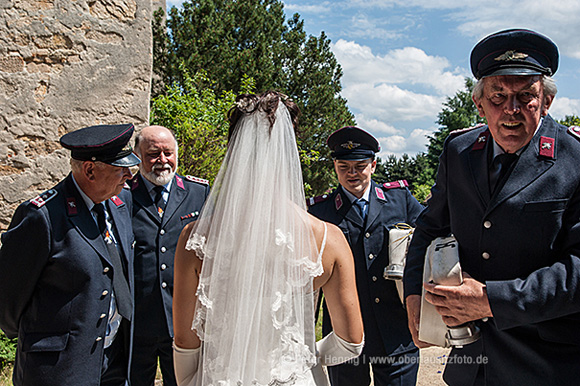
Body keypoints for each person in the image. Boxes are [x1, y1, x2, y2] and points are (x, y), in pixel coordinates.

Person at [403, 29, 580, 386]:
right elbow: (429, 228)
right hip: (471, 364)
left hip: (546, 366)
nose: (511, 110)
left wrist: (491, 300)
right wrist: (413, 296)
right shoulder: (459, 152)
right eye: (498, 96)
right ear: (478, 103)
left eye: (525, 96)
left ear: (545, 102)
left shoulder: (573, 159)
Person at [171, 91, 365, 386]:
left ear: (233, 149)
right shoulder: (329, 239)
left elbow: (186, 341)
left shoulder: (195, 238)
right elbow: (351, 341)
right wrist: (300, 356)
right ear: (289, 148)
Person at [0, 124, 141, 386]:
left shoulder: (119, 203)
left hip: (114, 361)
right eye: (121, 168)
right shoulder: (43, 216)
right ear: (89, 169)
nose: (129, 175)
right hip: (58, 369)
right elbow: (7, 301)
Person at [307, 126, 424, 386]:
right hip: (344, 335)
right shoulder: (320, 211)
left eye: (359, 166)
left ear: (373, 165)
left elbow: (427, 239)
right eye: (343, 166)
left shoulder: (399, 199)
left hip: (395, 332)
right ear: (334, 166)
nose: (352, 174)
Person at [130, 125, 210, 386]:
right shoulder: (122, 194)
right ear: (137, 155)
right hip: (136, 322)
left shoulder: (198, 193)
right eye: (153, 154)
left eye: (168, 153)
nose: (162, 161)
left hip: (184, 321)